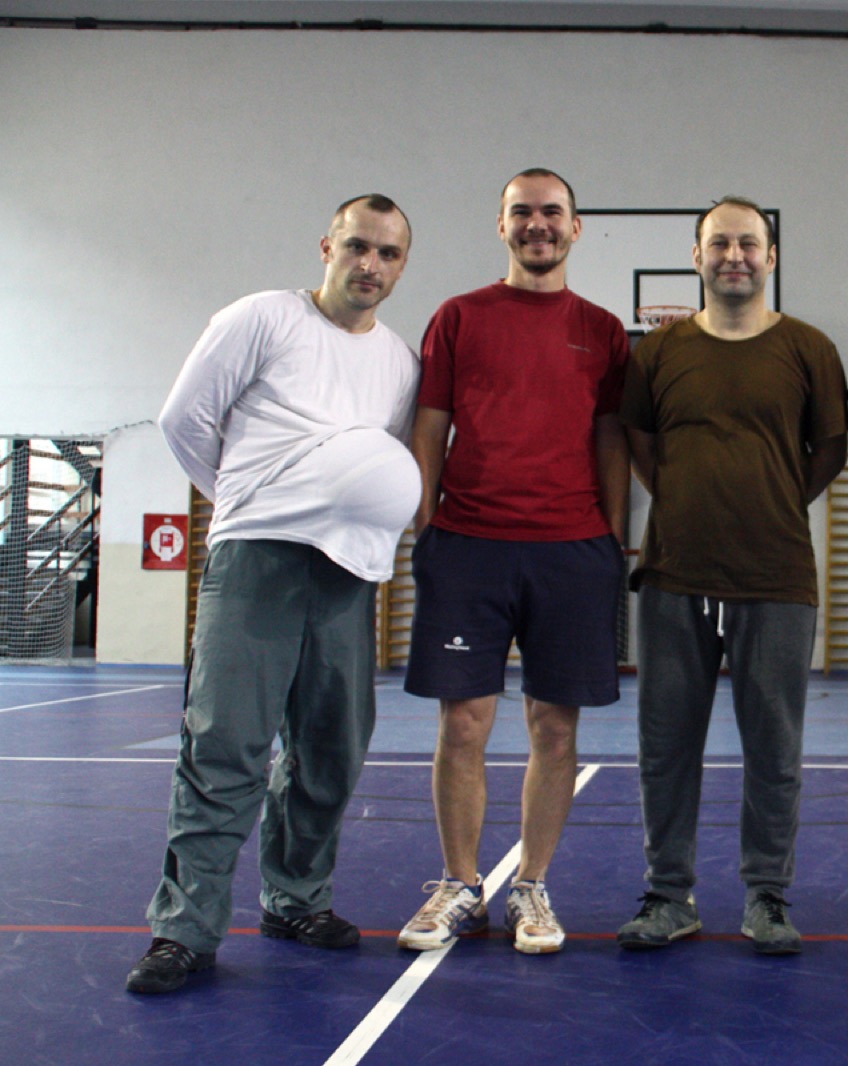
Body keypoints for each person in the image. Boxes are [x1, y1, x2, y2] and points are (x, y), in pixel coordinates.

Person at [128, 195, 421, 994]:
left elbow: (381, 456)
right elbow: (183, 420)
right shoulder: (262, 318)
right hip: (257, 560)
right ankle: (184, 931)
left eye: (388, 253)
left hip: (348, 573)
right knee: (225, 746)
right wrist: (245, 503)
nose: (370, 265)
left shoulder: (400, 363)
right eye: (358, 246)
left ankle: (296, 901)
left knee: (332, 748)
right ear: (328, 246)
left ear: (402, 266)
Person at [397, 169, 630, 956]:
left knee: (554, 727)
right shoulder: (459, 317)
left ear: (576, 227)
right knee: (463, 723)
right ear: (501, 225)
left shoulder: (603, 330)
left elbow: (611, 438)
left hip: (572, 552)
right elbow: (430, 424)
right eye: (522, 212)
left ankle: (531, 884)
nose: (538, 224)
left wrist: (611, 536)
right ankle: (460, 885)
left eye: (552, 212)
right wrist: (429, 526)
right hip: (469, 549)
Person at [617, 196, 848, 955]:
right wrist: (687, 502)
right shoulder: (657, 352)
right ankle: (668, 894)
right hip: (673, 575)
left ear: (771, 257)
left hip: (775, 577)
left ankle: (768, 897)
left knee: (774, 750)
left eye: (749, 243)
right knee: (665, 747)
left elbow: (828, 452)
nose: (735, 256)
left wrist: (770, 503)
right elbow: (639, 444)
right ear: (697, 256)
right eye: (719, 243)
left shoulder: (810, 348)